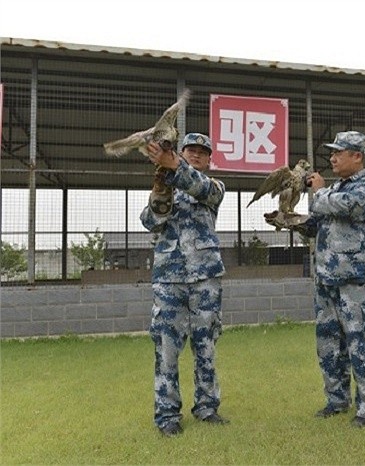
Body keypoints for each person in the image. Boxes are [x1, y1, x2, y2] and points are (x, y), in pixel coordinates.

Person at [295, 131, 365, 428]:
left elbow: (346, 206)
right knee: (329, 345)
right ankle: (337, 400)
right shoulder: (335, 192)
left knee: (362, 342)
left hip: (355, 279)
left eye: (338, 152)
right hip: (326, 280)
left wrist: (320, 192)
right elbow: (317, 224)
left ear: (357, 156)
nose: (332, 158)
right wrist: (291, 221)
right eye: (332, 153)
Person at [140, 132, 230, 437]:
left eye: (202, 152)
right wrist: (160, 188)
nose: (196, 154)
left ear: (209, 159)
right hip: (169, 279)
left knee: (206, 344)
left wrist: (175, 165)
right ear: (182, 152)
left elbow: (198, 185)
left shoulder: (213, 187)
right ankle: (167, 414)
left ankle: (207, 407)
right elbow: (150, 220)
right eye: (190, 150)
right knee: (166, 346)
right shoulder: (168, 187)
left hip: (205, 278)